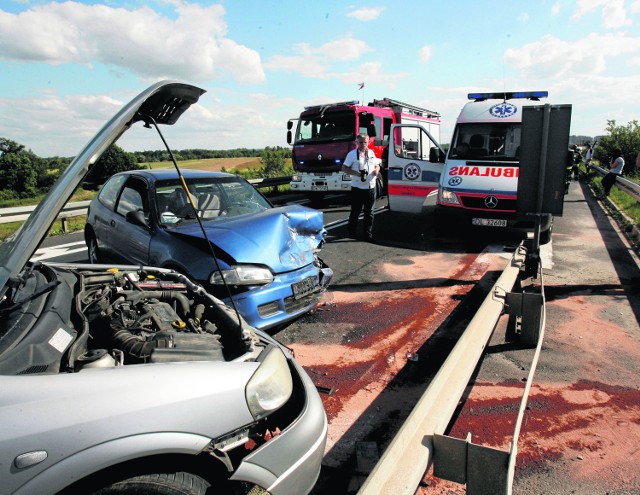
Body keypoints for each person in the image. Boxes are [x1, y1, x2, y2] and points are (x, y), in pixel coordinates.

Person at [341, 133, 380, 241]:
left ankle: (368, 235)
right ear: (357, 143)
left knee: (369, 213)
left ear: (368, 142)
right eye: (361, 142)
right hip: (357, 188)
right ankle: (352, 233)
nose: (363, 144)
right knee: (355, 212)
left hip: (371, 187)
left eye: (365, 142)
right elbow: (344, 168)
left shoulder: (371, 152)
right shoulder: (352, 154)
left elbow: (377, 164)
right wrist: (356, 173)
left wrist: (377, 170)